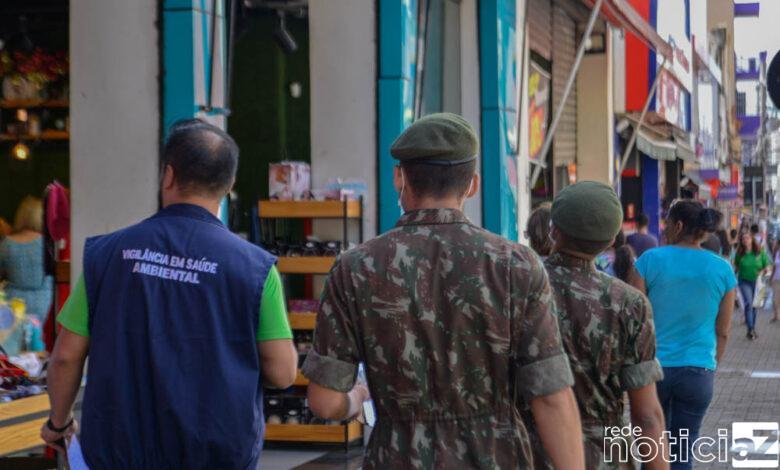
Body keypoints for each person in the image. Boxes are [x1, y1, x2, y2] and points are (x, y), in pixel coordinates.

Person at [302, 113, 585, 469]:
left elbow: (325, 401)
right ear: (472, 185)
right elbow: (552, 398)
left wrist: (357, 398)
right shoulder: (517, 265)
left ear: (399, 178)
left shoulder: (355, 267)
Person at [41, 119, 298, 468]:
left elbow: (67, 356)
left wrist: (60, 422)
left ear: (168, 175)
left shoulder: (109, 254)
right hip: (216, 454)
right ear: (229, 185)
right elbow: (283, 373)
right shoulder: (254, 268)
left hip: (119, 452)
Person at [525, 182, 666, 470]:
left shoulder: (520, 288)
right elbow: (647, 415)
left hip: (531, 449)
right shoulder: (630, 304)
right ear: (611, 241)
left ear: (554, 231)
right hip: (606, 453)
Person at [633, 201, 737, 470]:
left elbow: (633, 319)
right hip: (698, 370)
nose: (665, 228)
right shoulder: (723, 269)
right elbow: (723, 331)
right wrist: (710, 365)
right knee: (683, 451)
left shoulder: (649, 261)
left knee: (652, 451)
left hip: (653, 370)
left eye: (667, 223)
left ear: (678, 226)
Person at [0, 197, 53, 354]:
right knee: (36, 340)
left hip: (14, 302)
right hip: (43, 300)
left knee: (12, 345)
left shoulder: (7, 244)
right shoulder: (47, 243)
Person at [735, 232, 772, 339]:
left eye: (747, 238)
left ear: (752, 240)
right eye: (743, 239)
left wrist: (762, 271)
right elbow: (736, 267)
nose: (745, 240)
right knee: (749, 304)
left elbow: (768, 266)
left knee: (755, 306)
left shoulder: (760, 252)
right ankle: (750, 329)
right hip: (744, 281)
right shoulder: (740, 253)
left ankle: (752, 329)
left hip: (758, 283)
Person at [772, 239, 780, 323]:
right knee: (775, 298)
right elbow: (774, 266)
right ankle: (776, 316)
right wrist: (771, 277)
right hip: (776, 278)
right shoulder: (777, 253)